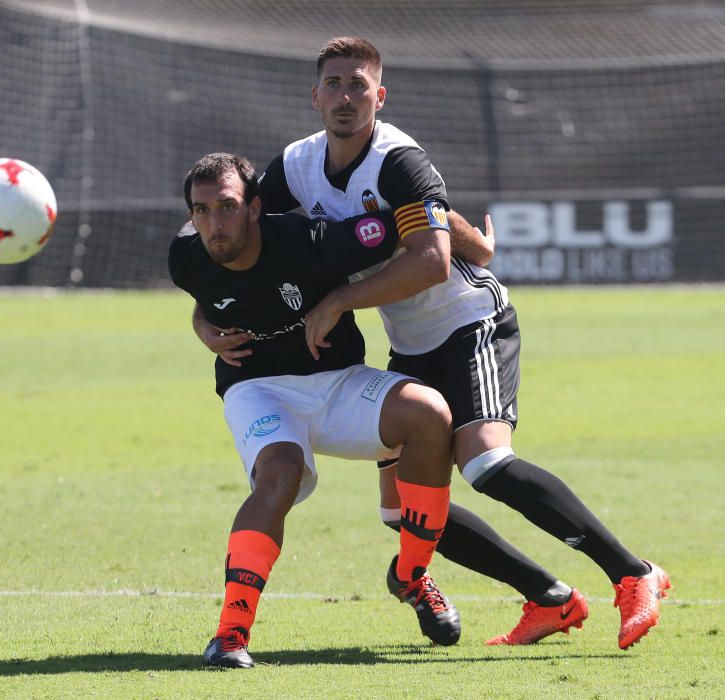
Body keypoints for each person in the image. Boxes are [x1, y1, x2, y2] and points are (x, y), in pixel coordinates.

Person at [196, 37, 670, 651]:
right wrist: (203, 321)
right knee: (405, 512)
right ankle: (549, 598)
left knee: (485, 463)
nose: (345, 96)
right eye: (334, 84)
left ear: (380, 96)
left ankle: (634, 575)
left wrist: (338, 300)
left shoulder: (398, 159)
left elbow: (430, 262)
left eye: (358, 85)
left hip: (467, 321)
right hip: (410, 342)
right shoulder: (294, 167)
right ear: (314, 96)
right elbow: (234, 228)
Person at [170, 152, 463, 669]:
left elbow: (409, 218)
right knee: (279, 474)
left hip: (339, 381)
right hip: (257, 389)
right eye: (201, 210)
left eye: (228, 206)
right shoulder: (186, 257)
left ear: (256, 208)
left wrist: (343, 299)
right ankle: (230, 635)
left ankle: (412, 576)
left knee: (430, 415)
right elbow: (207, 295)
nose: (215, 224)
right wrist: (201, 326)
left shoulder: (313, 240)